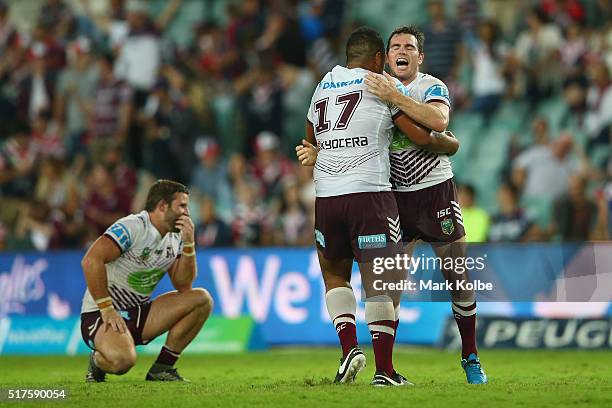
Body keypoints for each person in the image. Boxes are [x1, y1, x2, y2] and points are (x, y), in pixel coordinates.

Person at [295, 26, 458, 387]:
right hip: (370, 195)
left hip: (326, 197)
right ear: (376, 58)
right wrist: (450, 144)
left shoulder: (323, 85)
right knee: (380, 284)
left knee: (335, 276)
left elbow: (309, 138)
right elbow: (420, 135)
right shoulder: (381, 84)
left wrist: (319, 152)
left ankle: (349, 348)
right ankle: (384, 371)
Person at [363, 25, 487, 384]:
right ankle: (385, 370)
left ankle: (470, 356)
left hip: (435, 192)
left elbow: (438, 121)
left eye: (409, 47)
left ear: (420, 57)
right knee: (390, 285)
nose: (402, 50)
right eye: (395, 46)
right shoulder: (371, 88)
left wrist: (396, 96)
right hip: (393, 197)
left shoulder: (431, 86)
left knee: (457, 276)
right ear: (386, 57)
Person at [80, 179, 213, 382]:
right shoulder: (133, 227)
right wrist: (107, 308)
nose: (187, 212)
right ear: (162, 206)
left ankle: (162, 368)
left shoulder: (175, 236)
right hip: (102, 313)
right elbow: (91, 260)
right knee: (122, 361)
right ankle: (97, 361)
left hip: (139, 312)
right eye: (182, 206)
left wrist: (189, 244)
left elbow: (183, 285)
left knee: (201, 299)